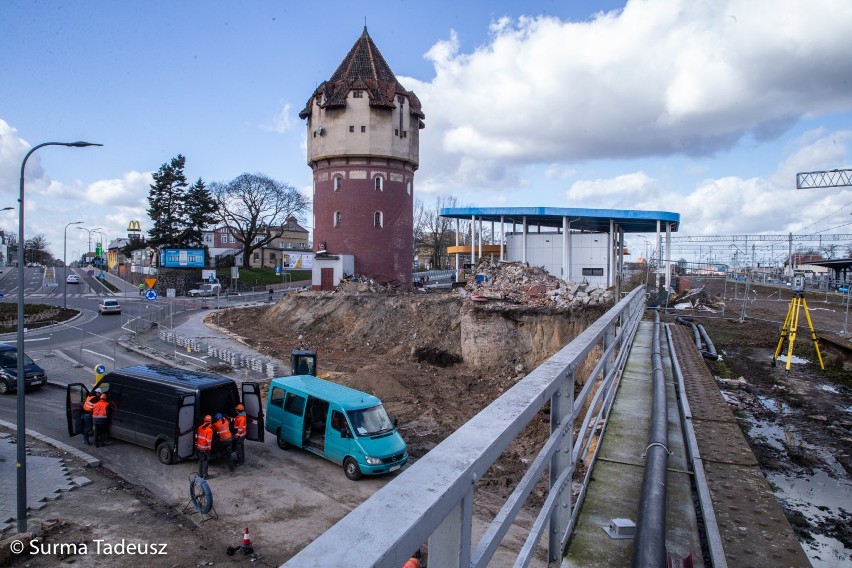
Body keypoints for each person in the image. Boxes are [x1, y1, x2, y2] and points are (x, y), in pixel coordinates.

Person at [195, 415, 213, 479]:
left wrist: (196, 445)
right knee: (205, 462)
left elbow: (197, 437)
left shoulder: (200, 427)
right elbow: (208, 440)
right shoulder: (209, 430)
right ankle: (205, 475)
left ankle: (200, 475)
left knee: (200, 461)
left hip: (199, 447)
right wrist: (209, 448)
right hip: (205, 448)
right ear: (210, 421)